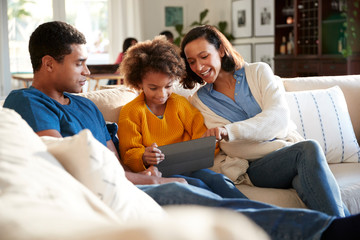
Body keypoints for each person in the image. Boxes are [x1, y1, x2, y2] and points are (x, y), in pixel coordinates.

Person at [4, 21, 360, 240]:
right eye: (79, 63)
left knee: (212, 192)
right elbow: (64, 163)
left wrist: (148, 176)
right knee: (197, 196)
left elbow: (113, 162)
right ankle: (326, 230)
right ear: (48, 64)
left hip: (134, 180)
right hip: (114, 191)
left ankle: (323, 228)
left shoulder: (84, 105)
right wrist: (151, 179)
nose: (86, 70)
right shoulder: (26, 102)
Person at [179, 25, 347, 217]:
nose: (198, 67)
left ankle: (341, 227)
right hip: (256, 168)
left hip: (289, 157)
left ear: (221, 50)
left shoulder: (258, 72)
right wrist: (276, 141)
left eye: (204, 56)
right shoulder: (200, 100)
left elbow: (279, 119)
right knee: (308, 148)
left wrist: (230, 131)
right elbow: (235, 148)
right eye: (192, 62)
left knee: (310, 187)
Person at [117, 35, 246, 198]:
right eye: (153, 88)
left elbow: (202, 135)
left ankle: (255, 214)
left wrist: (204, 148)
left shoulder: (179, 104)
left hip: (193, 166)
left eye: (168, 86)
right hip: (159, 172)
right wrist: (143, 156)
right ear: (138, 83)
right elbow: (128, 155)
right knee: (198, 186)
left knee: (219, 180)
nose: (162, 94)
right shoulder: (131, 112)